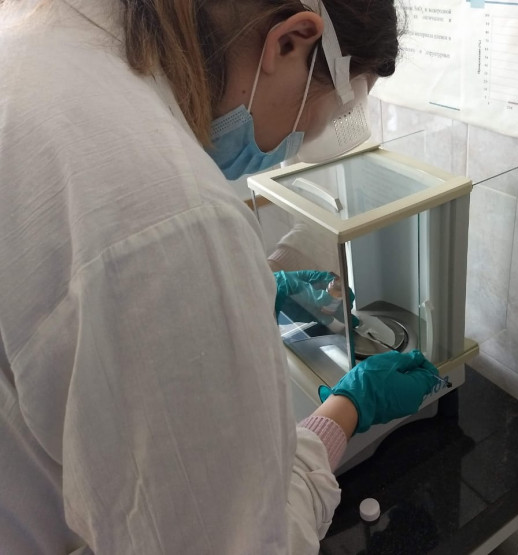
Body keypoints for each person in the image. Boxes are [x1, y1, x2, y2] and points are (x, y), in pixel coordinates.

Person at [0, 0, 440, 553]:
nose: (301, 142)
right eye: (327, 114)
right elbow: (240, 541)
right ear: (290, 41)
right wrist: (347, 410)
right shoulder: (175, 216)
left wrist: (251, 290)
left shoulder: (40, 43)